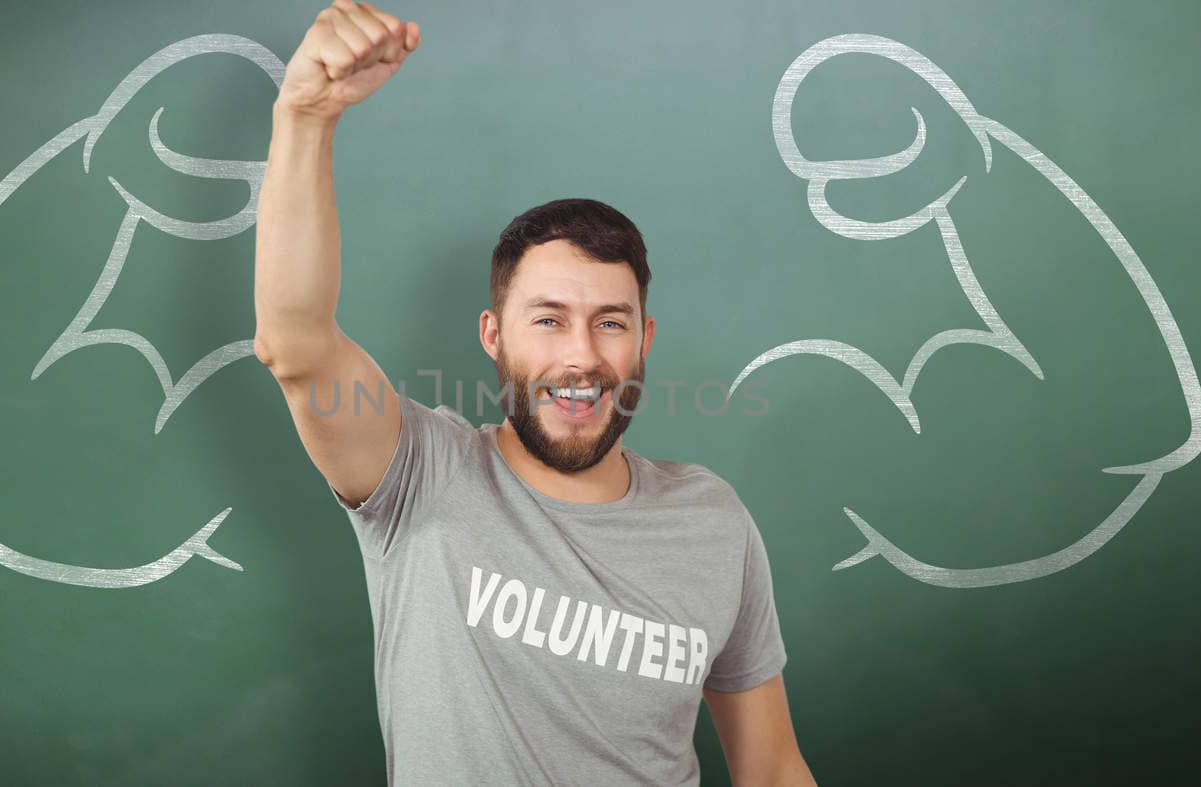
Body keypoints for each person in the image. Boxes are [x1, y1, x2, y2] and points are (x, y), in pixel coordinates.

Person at [253, 2, 817, 784]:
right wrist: (306, 117)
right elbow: (296, 343)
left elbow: (773, 767)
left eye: (610, 322)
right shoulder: (416, 473)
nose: (581, 357)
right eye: (548, 320)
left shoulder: (712, 519)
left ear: (644, 341)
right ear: (494, 336)